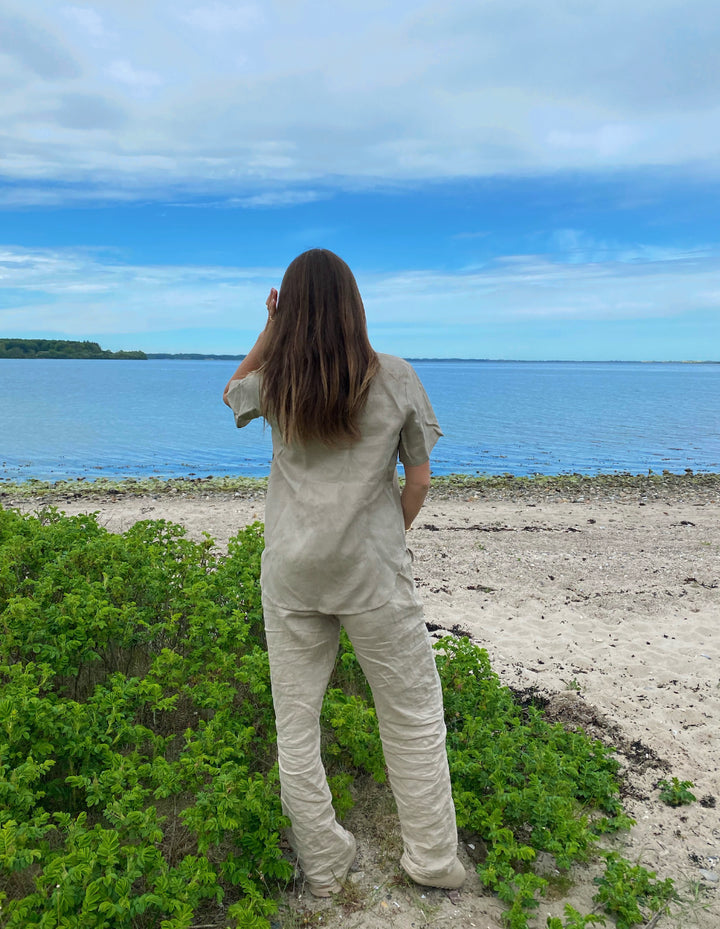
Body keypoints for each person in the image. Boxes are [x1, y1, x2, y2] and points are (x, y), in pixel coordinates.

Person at [223, 249, 465, 897]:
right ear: (356, 304)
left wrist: (269, 330)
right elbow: (418, 481)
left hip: (292, 573)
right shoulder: (396, 377)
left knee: (296, 721)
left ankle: (327, 865)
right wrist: (388, 534)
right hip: (373, 573)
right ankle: (434, 858)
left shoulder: (278, 381)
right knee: (412, 711)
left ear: (290, 311)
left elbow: (231, 392)